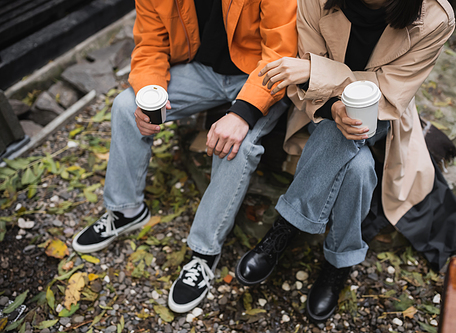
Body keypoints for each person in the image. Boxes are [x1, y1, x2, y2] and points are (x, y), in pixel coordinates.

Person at [235, 0, 456, 322]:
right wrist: (332, 104)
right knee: (359, 167)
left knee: (349, 128)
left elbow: (391, 90)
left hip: (382, 112)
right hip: (317, 105)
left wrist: (318, 71)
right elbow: (299, 75)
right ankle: (339, 262)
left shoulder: (435, 16)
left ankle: (284, 229)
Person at [71, 0, 298, 313]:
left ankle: (204, 253)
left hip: (259, 76)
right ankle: (126, 210)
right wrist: (149, 93)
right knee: (125, 106)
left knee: (239, 145)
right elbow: (150, 45)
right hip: (202, 71)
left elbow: (281, 54)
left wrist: (243, 112)